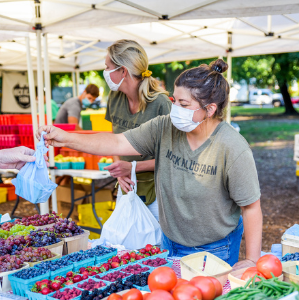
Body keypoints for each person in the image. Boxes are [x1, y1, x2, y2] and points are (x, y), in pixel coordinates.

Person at [36, 58, 262, 269]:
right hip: (169, 241)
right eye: (174, 101)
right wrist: (64, 137)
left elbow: (251, 207)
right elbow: (116, 142)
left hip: (215, 249)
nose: (175, 109)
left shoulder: (232, 147)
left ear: (210, 109)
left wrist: (252, 259)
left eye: (184, 104)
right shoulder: (165, 127)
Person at [103, 39, 171, 221]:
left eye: (107, 67)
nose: (105, 72)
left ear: (122, 71)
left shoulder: (160, 104)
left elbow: (172, 157)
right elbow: (114, 139)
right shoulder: (114, 97)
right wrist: (120, 173)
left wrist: (131, 167)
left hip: (157, 192)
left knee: (154, 248)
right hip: (126, 186)